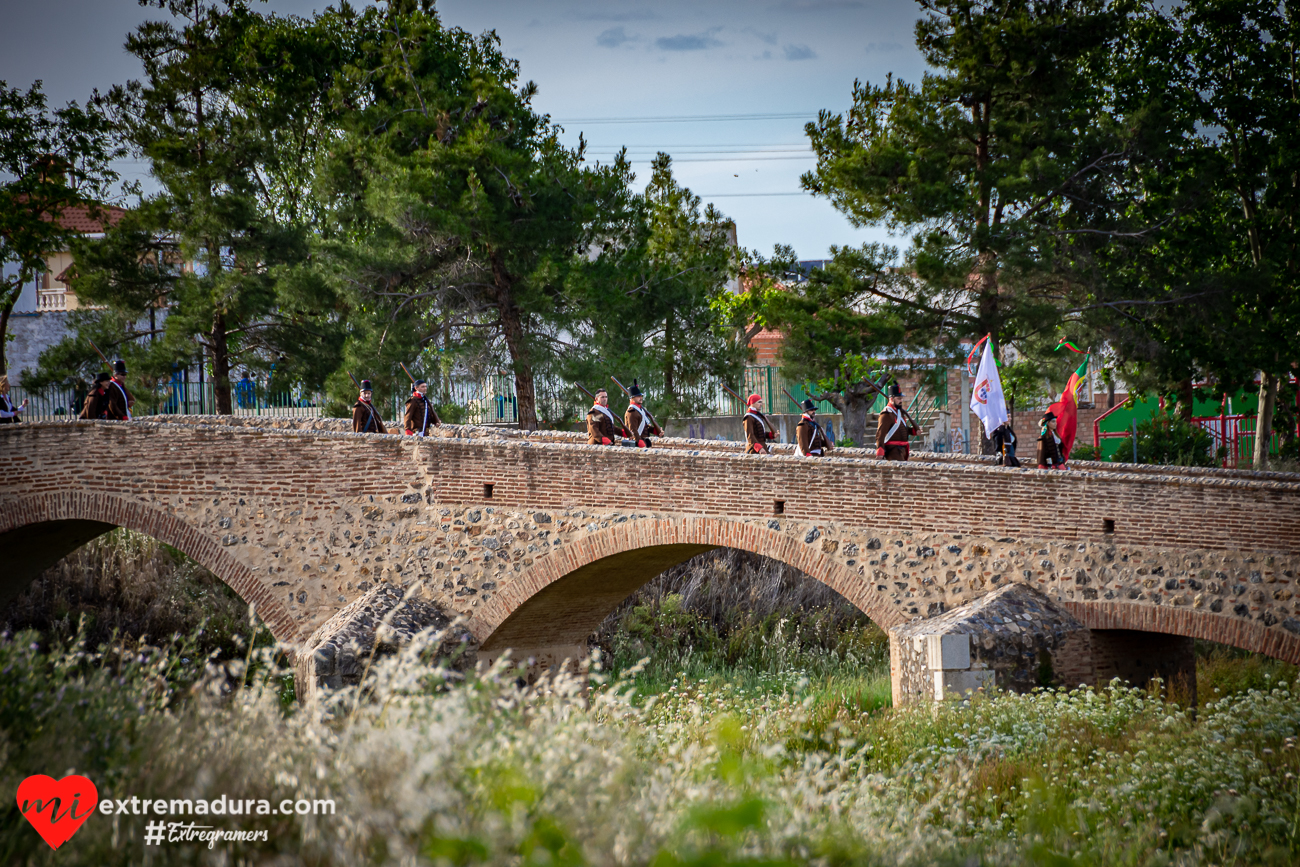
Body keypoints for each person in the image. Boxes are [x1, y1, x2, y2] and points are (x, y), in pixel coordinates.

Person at [875, 383, 918, 460]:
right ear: (891, 399)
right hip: (892, 450)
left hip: (902, 450)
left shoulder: (899, 412)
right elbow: (880, 434)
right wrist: (880, 450)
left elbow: (902, 428)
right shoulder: (886, 414)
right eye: (898, 399)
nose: (901, 401)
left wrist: (913, 431)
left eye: (901, 398)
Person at [623, 380, 662, 448]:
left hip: (643, 441)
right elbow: (633, 430)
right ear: (632, 398)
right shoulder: (631, 412)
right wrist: (640, 442)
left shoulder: (640, 411)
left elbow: (645, 427)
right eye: (638, 396)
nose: (641, 398)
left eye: (641, 396)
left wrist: (656, 431)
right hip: (636, 443)